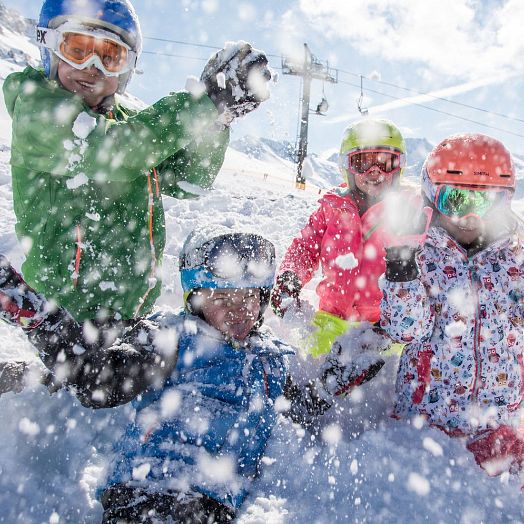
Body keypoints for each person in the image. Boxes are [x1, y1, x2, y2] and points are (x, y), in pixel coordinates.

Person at [0, 225, 383, 523]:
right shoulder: (172, 336)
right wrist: (32, 313)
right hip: (147, 489)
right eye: (221, 298)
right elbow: (100, 380)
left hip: (213, 503)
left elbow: (300, 407)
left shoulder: (273, 358)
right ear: (194, 299)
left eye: (248, 298)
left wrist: (336, 377)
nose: (238, 311)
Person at [4, 0, 272, 322]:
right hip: (62, 322)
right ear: (49, 47)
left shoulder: (131, 127)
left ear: (126, 70)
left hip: (129, 316)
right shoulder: (38, 111)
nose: (92, 67)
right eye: (77, 49)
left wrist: (216, 120)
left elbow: (189, 179)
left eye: (110, 57)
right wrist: (203, 105)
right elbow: (113, 152)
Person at [380, 133, 524, 478]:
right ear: (432, 194)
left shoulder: (515, 258)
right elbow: (405, 329)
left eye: (489, 200)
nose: (472, 215)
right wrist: (402, 266)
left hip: (497, 425)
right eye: (456, 200)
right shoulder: (422, 254)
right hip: (428, 424)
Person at [271, 118, 410, 357]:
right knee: (315, 377)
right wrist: (290, 277)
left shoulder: (408, 211)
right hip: (331, 321)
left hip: (383, 328)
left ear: (399, 167)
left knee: (379, 387)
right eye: (363, 162)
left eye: (385, 163)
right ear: (347, 167)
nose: (373, 172)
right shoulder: (332, 208)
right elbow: (306, 247)